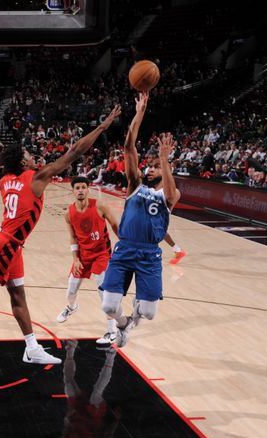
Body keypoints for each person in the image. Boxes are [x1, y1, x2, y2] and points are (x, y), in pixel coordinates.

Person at [0, 105, 121, 365]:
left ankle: (31, 346)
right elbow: (74, 151)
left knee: (18, 295)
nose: (32, 155)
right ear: (23, 161)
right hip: (4, 246)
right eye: (28, 153)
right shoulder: (36, 178)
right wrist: (103, 127)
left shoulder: (4, 179)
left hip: (12, 246)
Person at [100, 92, 180, 347]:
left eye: (155, 166)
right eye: (151, 165)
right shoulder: (135, 186)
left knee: (148, 313)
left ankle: (133, 319)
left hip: (149, 254)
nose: (150, 168)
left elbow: (170, 193)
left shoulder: (169, 194)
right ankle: (123, 325)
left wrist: (165, 159)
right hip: (125, 249)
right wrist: (140, 112)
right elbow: (128, 147)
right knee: (109, 306)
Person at [56, 176, 120, 345]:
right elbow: (72, 237)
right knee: (71, 290)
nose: (80, 190)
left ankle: (112, 331)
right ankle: (71, 308)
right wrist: (75, 259)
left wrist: (125, 243)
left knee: (102, 289)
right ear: (73, 191)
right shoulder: (69, 213)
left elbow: (115, 225)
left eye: (83, 187)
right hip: (83, 256)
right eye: (77, 188)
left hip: (102, 254)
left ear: (88, 189)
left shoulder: (99, 205)